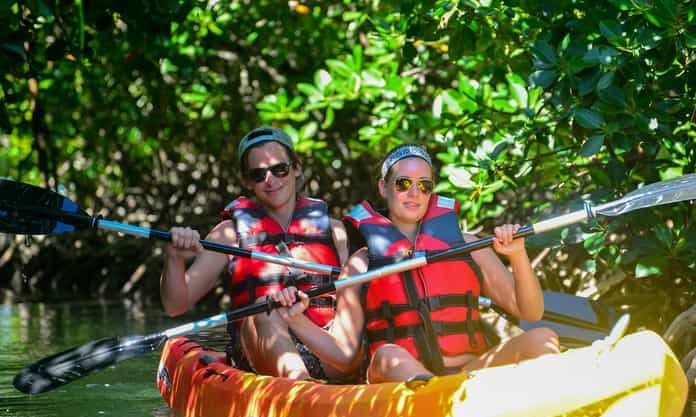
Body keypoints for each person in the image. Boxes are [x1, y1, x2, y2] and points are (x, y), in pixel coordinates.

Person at [272, 142, 560, 384]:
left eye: (424, 186)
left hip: (470, 377)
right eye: (404, 183)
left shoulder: (467, 245)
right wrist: (296, 321)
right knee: (388, 354)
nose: (415, 193)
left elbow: (530, 311)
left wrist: (518, 256)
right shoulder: (362, 264)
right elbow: (345, 356)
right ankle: (435, 406)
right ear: (384, 187)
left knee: (541, 337)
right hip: (402, 387)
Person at [159, 126, 354, 382]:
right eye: (258, 174)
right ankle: (302, 389)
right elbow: (175, 305)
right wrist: (174, 258)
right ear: (247, 181)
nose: (270, 180)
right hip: (262, 351)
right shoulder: (229, 235)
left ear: (296, 168)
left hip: (327, 347)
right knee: (266, 309)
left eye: (279, 169)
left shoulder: (335, 231)